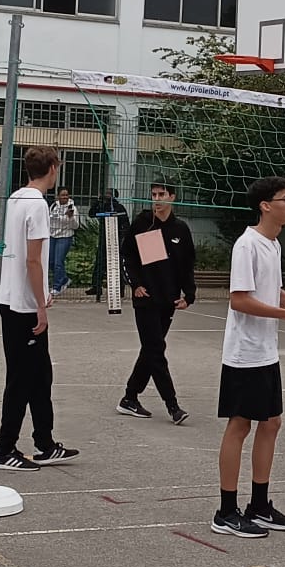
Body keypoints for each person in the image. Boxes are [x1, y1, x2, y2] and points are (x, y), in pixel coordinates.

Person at [212, 176, 285, 539]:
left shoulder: (273, 244)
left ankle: (259, 505)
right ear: (266, 206)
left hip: (266, 350)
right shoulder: (247, 244)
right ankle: (226, 511)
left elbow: (269, 287)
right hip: (245, 353)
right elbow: (239, 299)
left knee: (271, 423)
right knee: (240, 425)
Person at [0, 146, 78, 471]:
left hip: (13, 297)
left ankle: (45, 442)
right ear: (53, 168)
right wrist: (41, 303)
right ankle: (4, 449)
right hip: (22, 305)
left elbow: (7, 248)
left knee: (41, 375)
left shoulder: (15, 198)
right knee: (21, 378)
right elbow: (32, 260)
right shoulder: (37, 205)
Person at [118, 180, 197, 424]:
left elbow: (187, 265)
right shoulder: (143, 223)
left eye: (161, 194)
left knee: (151, 350)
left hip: (168, 300)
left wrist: (189, 295)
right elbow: (127, 256)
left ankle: (129, 397)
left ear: (172, 197)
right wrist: (135, 284)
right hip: (146, 299)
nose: (157, 199)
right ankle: (173, 406)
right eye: (153, 194)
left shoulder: (180, 229)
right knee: (155, 350)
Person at [88, 188, 128, 300]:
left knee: (117, 263)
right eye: (105, 193)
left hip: (116, 238)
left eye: (109, 193)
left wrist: (122, 237)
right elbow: (91, 214)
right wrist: (97, 201)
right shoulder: (102, 206)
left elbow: (126, 223)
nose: (106, 195)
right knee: (99, 262)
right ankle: (96, 287)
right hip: (103, 238)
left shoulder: (119, 207)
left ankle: (120, 288)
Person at [47, 186, 79, 296]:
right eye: (62, 195)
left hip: (65, 236)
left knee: (58, 262)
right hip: (52, 235)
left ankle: (57, 286)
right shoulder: (53, 206)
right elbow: (49, 220)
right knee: (50, 261)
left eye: (66, 195)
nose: (65, 197)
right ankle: (64, 279)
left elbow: (76, 226)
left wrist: (70, 218)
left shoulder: (72, 208)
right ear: (58, 196)